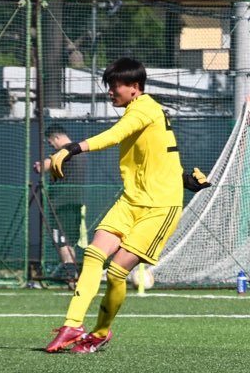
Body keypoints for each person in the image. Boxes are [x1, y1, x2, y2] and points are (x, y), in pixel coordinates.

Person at [45, 57, 210, 353]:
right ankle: (72, 324)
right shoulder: (141, 110)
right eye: (109, 86)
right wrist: (183, 176)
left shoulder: (144, 108)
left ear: (134, 87)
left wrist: (72, 148)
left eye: (114, 86)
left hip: (160, 207)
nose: (110, 92)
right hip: (132, 200)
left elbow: (114, 136)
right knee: (95, 253)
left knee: (118, 272)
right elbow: (162, 151)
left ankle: (100, 332)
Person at [34, 124, 86, 280]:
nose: (51, 145)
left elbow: (43, 166)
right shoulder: (80, 151)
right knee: (69, 241)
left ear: (56, 138)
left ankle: (70, 275)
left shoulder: (65, 151)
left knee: (62, 242)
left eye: (51, 142)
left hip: (62, 205)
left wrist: (40, 166)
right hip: (76, 203)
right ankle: (73, 273)